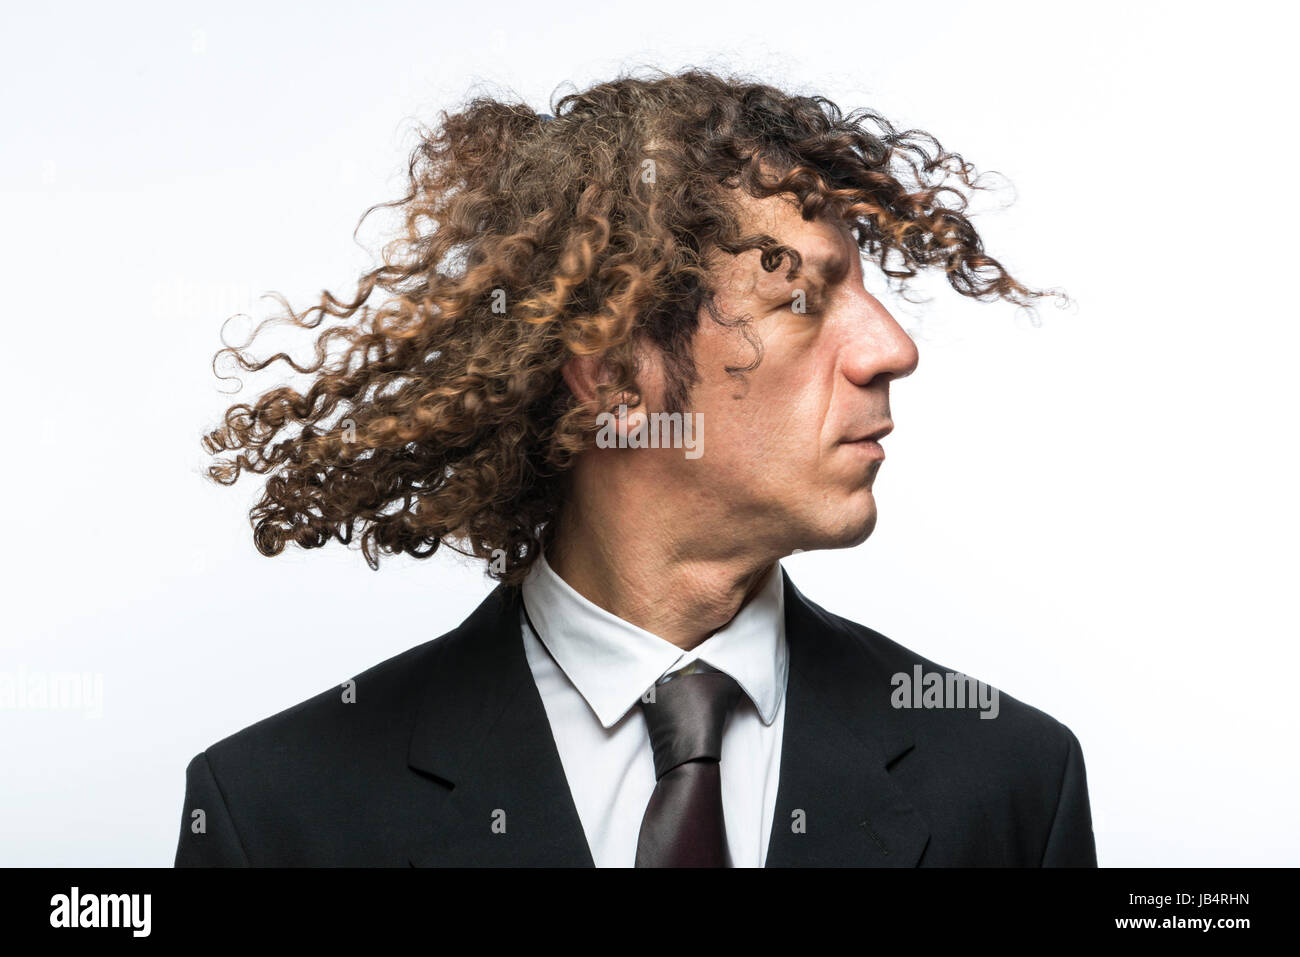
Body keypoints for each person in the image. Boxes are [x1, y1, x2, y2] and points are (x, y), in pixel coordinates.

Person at [175, 67, 1096, 867]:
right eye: (802, 300)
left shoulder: (1009, 780)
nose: (892, 348)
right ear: (614, 372)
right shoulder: (277, 814)